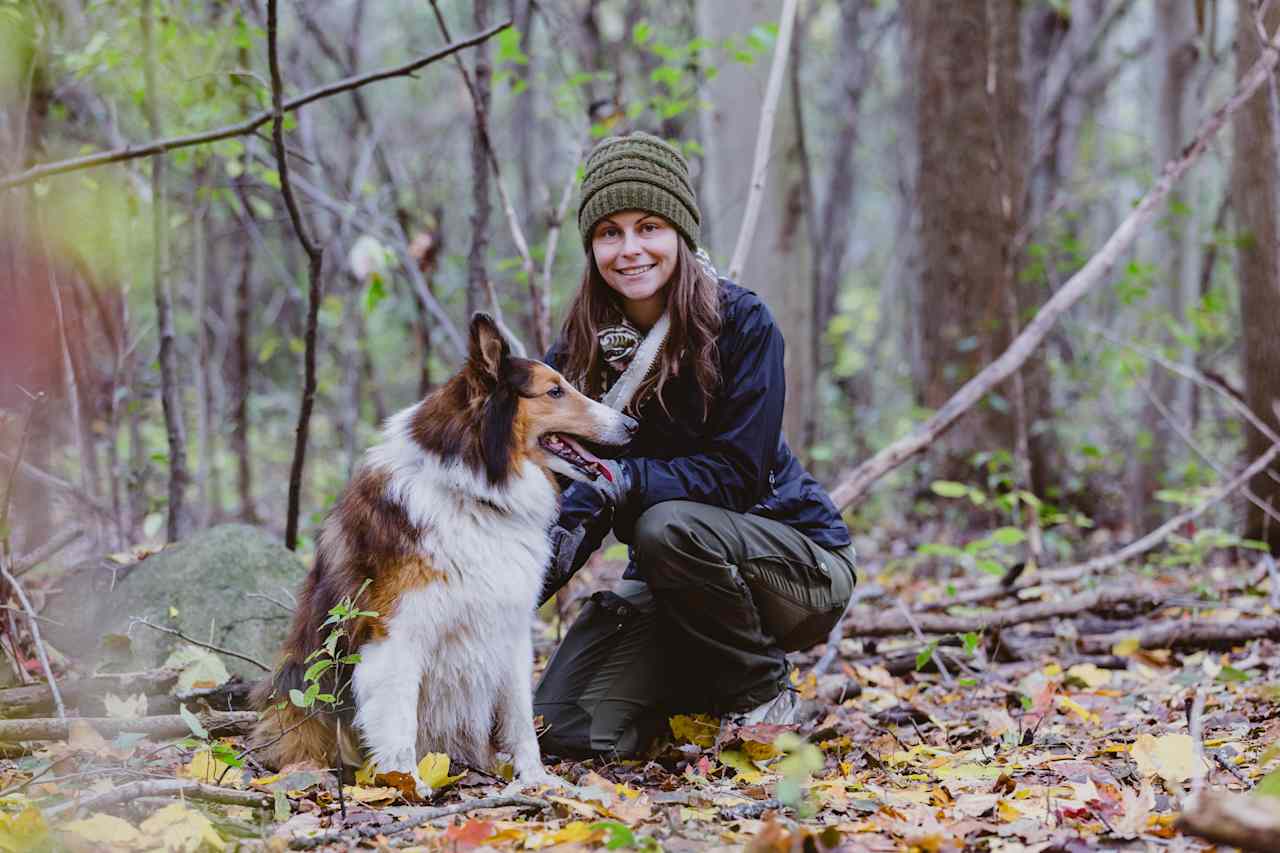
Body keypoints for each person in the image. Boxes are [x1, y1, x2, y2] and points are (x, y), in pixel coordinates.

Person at [533, 131, 855, 757]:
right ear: (591, 245)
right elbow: (565, 500)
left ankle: (763, 695)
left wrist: (623, 481)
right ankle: (696, 684)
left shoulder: (741, 323)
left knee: (665, 525)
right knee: (565, 726)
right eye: (609, 232)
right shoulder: (577, 355)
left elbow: (737, 475)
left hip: (796, 567)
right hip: (672, 583)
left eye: (648, 226)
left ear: (679, 231)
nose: (630, 250)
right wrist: (502, 591)